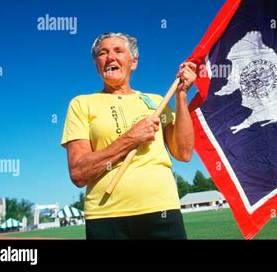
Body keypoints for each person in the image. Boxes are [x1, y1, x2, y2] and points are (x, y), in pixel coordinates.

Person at [61, 32, 197, 239]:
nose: (110, 57)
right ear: (97, 64)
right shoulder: (81, 104)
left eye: (118, 51)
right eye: (102, 53)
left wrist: (182, 96)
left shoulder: (157, 101)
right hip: (106, 217)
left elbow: (184, 153)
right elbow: (79, 173)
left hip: (162, 210)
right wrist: (130, 139)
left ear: (133, 62)